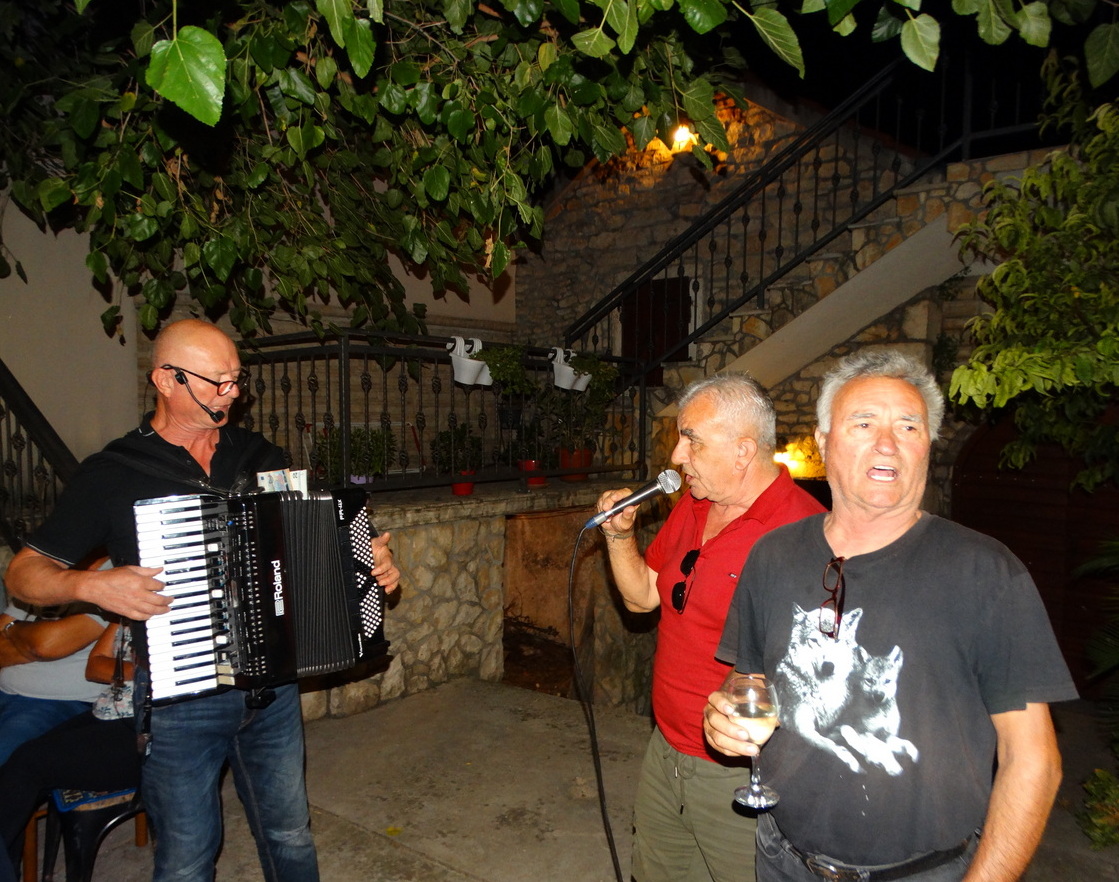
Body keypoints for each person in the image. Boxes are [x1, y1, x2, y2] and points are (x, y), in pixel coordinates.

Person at [4, 318, 402, 882]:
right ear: (167, 380)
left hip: (273, 689)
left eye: (237, 379)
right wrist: (91, 586)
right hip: (181, 700)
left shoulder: (259, 455)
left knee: (290, 832)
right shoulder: (113, 474)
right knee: (188, 857)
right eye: (218, 382)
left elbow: (308, 544)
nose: (233, 393)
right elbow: (24, 574)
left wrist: (365, 561)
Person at [703, 349, 1077, 882]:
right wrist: (723, 717)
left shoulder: (986, 572)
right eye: (863, 423)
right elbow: (753, 680)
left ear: (927, 446)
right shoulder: (773, 555)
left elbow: (1033, 759)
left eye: (908, 426)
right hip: (783, 858)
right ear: (824, 442)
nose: (887, 442)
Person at [594, 373, 824, 882]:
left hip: (739, 776)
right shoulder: (694, 506)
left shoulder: (806, 534)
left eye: (691, 440)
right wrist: (619, 537)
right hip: (665, 749)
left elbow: (818, 676)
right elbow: (642, 597)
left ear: (744, 451)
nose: (677, 456)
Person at [0, 622, 139, 882]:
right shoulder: (128, 608)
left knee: (26, 765)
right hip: (108, 713)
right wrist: (141, 672)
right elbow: (94, 666)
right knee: (17, 768)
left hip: (150, 729)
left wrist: (133, 670)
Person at [0, 587, 108, 764]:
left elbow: (44, 646)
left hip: (60, 701)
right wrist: (28, 638)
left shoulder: (107, 588)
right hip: (6, 691)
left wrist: (12, 629)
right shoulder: (43, 583)